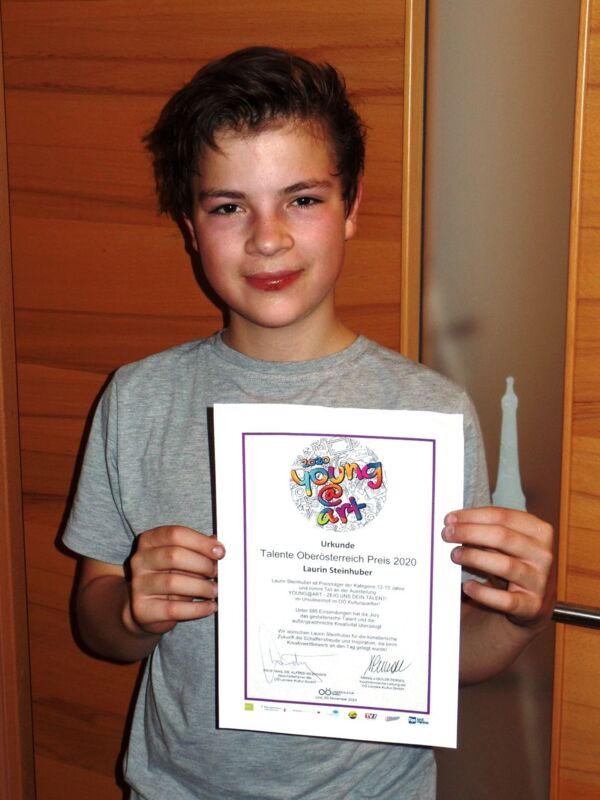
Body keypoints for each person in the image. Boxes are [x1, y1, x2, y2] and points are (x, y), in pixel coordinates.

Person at [63, 46, 555, 800]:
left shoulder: (430, 413)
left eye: (301, 199)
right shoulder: (139, 399)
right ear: (191, 226)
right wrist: (132, 609)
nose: (267, 238)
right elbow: (95, 615)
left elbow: (446, 654)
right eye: (228, 206)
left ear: (351, 207)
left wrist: (520, 618)